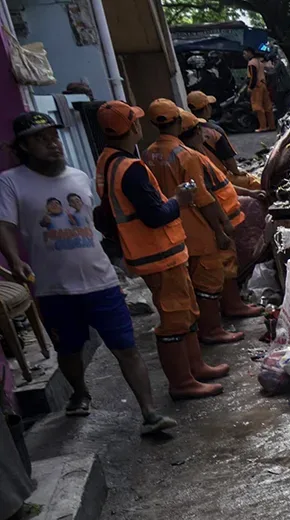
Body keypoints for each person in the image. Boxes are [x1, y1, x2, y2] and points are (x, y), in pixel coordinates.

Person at [0, 111, 178, 433]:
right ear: (23, 147)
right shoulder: (11, 182)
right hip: (55, 288)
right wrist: (14, 259)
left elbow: (92, 224)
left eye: (53, 136)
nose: (52, 144)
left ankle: (149, 412)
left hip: (101, 281)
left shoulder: (79, 177)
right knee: (68, 349)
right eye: (41, 139)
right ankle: (80, 392)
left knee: (126, 346)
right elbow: (5, 226)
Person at [94, 100, 225, 400]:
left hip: (160, 252)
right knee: (174, 319)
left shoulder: (110, 160)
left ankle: (196, 368)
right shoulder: (130, 169)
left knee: (186, 310)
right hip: (158, 253)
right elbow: (155, 216)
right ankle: (182, 382)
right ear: (134, 126)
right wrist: (178, 200)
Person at [142, 99, 244, 346]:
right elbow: (203, 197)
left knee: (193, 283)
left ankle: (205, 327)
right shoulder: (185, 155)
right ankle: (212, 330)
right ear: (177, 122)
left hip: (173, 227)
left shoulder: (149, 153)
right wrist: (220, 229)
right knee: (209, 280)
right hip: (196, 226)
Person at [178, 110, 263, 320]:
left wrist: (248, 193)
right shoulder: (192, 159)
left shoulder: (189, 156)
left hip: (212, 220)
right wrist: (222, 226)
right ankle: (233, 307)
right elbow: (207, 195)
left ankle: (230, 306)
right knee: (226, 266)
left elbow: (219, 185)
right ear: (197, 132)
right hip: (217, 220)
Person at [186, 92, 261, 191]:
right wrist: (237, 172)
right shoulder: (214, 131)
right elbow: (230, 162)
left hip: (199, 179)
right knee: (257, 182)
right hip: (220, 178)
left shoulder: (185, 132)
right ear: (207, 108)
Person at [243, 47, 274, 132]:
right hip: (263, 84)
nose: (244, 56)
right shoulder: (259, 62)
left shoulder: (251, 63)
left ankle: (263, 126)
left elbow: (253, 76)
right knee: (268, 106)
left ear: (250, 53)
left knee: (258, 107)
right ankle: (271, 125)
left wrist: (250, 87)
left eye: (245, 53)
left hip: (257, 86)